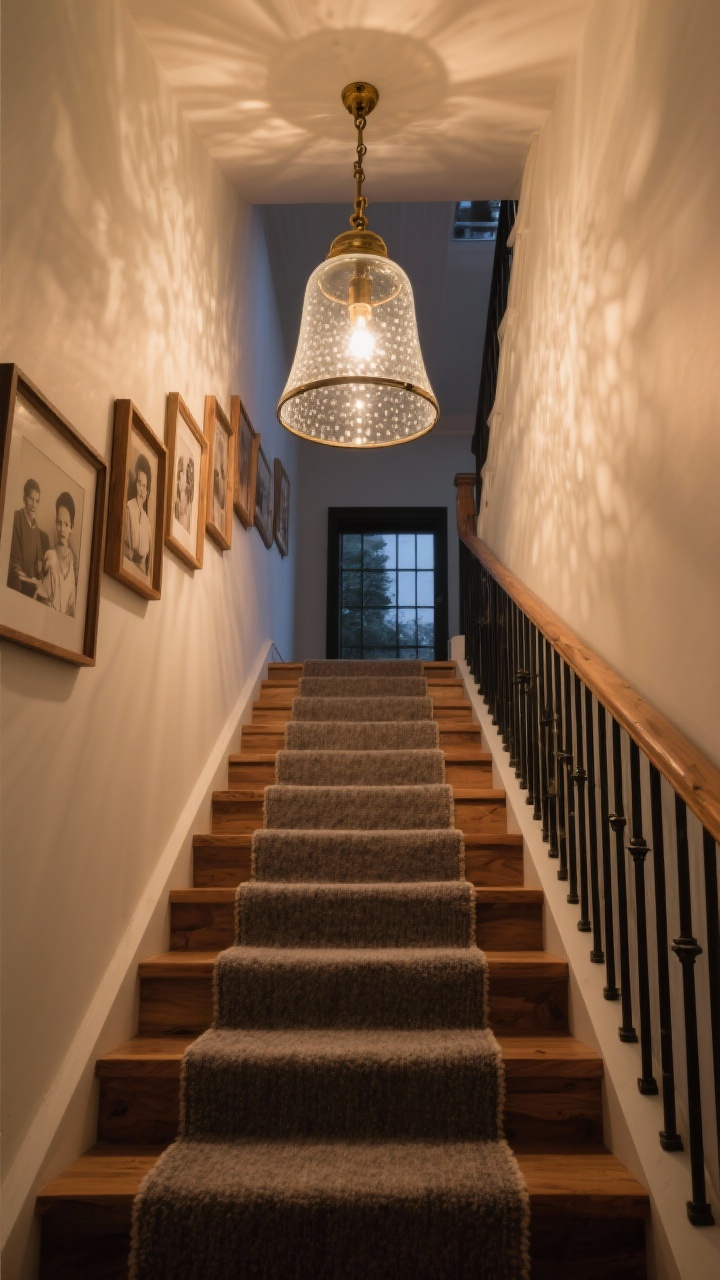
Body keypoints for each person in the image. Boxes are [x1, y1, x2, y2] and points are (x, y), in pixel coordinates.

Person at [36, 492, 78, 616]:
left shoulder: (75, 561)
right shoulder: (50, 556)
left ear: (72, 527)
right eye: (59, 523)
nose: (62, 529)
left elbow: (72, 606)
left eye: (66, 524)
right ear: (55, 523)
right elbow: (41, 598)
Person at [7, 477, 49, 596]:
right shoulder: (17, 519)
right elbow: (14, 560)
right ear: (24, 499)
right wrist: (28, 579)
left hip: (31, 583)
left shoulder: (35, 528)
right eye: (31, 499)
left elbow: (38, 563)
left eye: (37, 501)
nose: (34, 505)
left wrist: (40, 580)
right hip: (18, 581)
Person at [123, 453, 152, 576]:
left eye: (144, 486)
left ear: (147, 491)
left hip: (141, 574)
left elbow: (146, 559)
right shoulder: (129, 508)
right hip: (127, 568)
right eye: (139, 484)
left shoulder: (147, 521)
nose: (141, 490)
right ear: (135, 484)